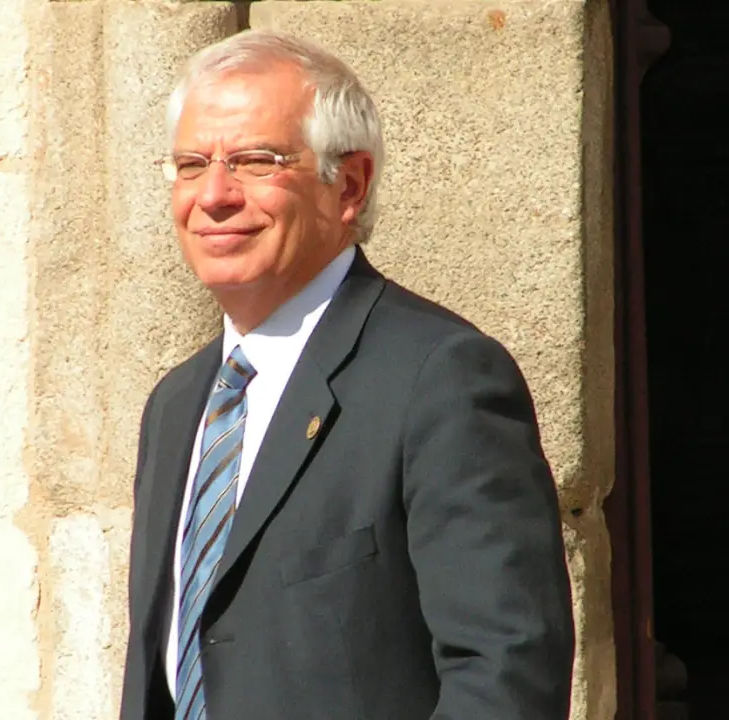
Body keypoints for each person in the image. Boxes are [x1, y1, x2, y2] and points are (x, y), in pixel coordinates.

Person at [120, 29, 575, 720]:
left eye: (256, 161)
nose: (213, 195)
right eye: (190, 164)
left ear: (350, 185)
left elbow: (505, 673)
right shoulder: (178, 404)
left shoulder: (439, 379)